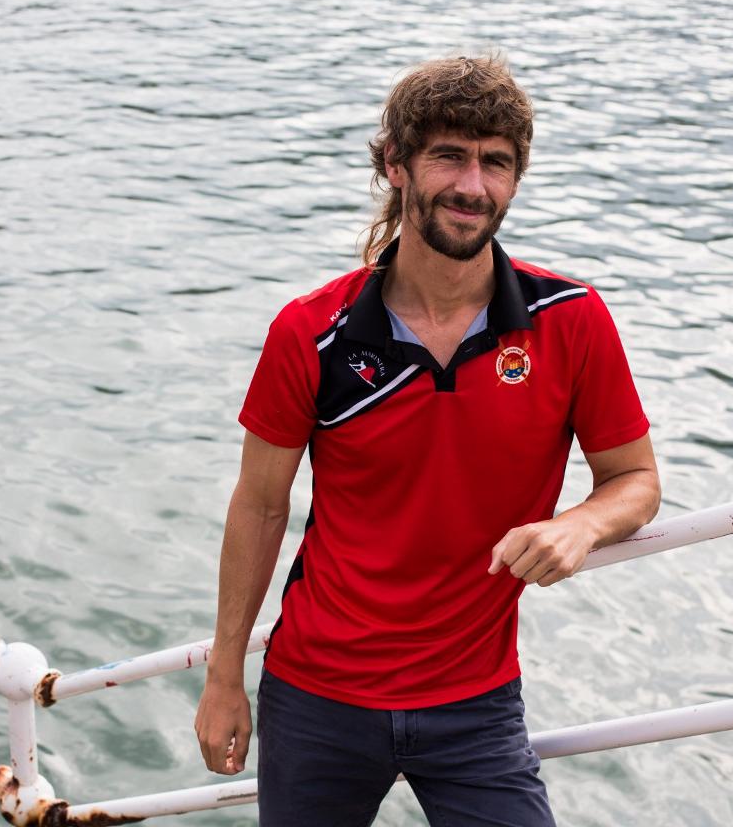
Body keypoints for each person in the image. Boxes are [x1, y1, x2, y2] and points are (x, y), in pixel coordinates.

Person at [195, 54, 661, 826]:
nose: (472, 186)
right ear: (396, 166)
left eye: (496, 163)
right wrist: (221, 677)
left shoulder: (570, 319)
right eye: (449, 155)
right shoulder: (311, 331)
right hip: (317, 695)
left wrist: (580, 523)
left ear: (516, 177)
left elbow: (635, 478)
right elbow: (260, 507)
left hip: (475, 701)